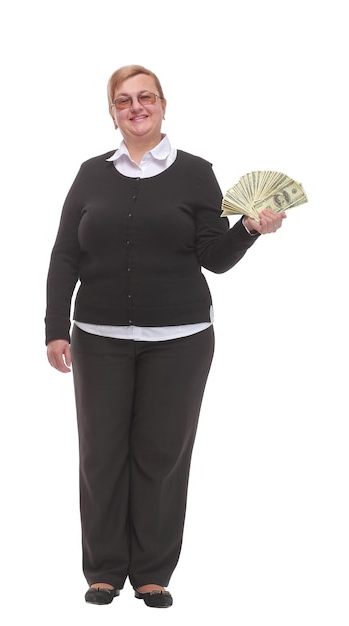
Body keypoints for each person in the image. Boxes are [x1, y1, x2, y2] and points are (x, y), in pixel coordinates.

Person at [45, 64, 286, 609]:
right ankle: (104, 569)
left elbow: (214, 259)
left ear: (162, 104)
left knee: (162, 457)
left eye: (145, 97)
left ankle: (152, 571)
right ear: (112, 112)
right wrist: (55, 327)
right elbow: (65, 253)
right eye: (123, 100)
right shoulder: (90, 173)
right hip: (98, 338)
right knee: (101, 456)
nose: (136, 107)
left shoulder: (196, 172)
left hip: (180, 340)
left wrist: (248, 229)